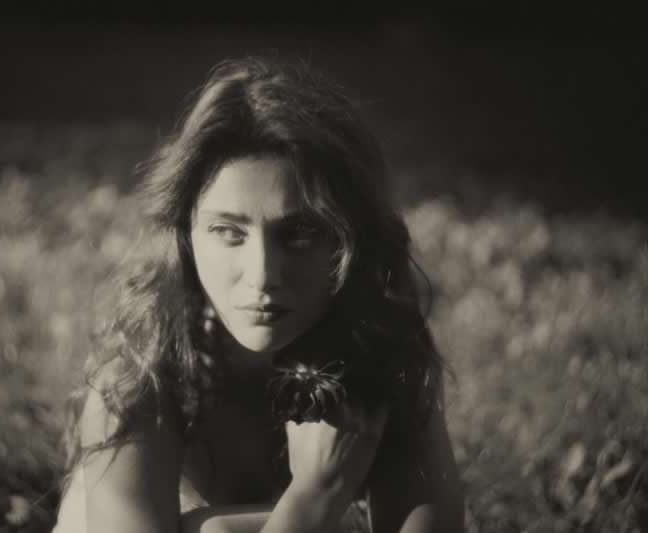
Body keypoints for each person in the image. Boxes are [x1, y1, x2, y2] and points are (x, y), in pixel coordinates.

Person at [52, 56, 464, 533]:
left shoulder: (379, 339)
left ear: (351, 237)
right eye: (229, 232)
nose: (263, 275)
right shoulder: (140, 371)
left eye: (300, 233)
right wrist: (314, 498)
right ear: (185, 234)